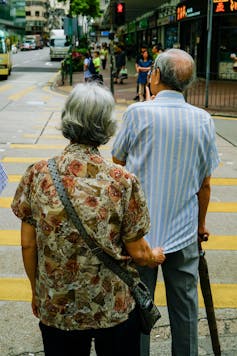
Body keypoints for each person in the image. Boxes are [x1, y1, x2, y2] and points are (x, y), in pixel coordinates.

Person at [11, 83, 165, 356]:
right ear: (106, 126)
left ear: (67, 118)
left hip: (57, 306)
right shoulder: (123, 181)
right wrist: (154, 255)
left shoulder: (38, 174)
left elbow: (28, 245)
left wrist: (38, 292)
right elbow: (138, 252)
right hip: (111, 307)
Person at [112, 49, 220, 356]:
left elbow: (117, 163)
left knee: (139, 309)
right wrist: (200, 226)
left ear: (155, 75)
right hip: (184, 233)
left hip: (139, 237)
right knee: (185, 310)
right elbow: (205, 184)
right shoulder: (203, 120)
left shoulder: (137, 114)